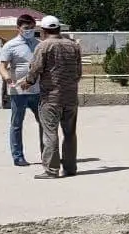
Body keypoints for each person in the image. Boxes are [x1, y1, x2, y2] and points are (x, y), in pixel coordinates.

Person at [19, 15, 82, 179]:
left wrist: (28, 82)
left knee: (50, 133)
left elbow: (36, 68)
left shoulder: (43, 46)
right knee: (70, 133)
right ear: (59, 28)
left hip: (51, 98)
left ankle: (51, 170)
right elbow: (78, 73)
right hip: (71, 98)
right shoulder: (73, 46)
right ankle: (70, 167)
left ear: (43, 30)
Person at [0, 14, 42, 166]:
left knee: (44, 123)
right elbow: (2, 66)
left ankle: (47, 154)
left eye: (32, 28)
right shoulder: (10, 46)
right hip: (19, 92)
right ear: (18, 28)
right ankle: (18, 157)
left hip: (38, 90)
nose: (29, 31)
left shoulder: (39, 45)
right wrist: (7, 78)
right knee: (16, 124)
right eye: (26, 28)